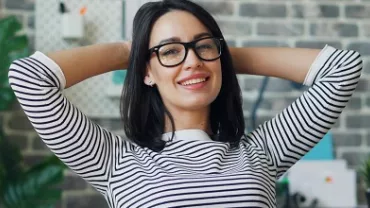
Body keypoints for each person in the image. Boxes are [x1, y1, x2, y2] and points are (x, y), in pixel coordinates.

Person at [8, 0, 363, 207]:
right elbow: (29, 79)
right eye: (170, 50)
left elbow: (342, 69)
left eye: (203, 45)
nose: (191, 61)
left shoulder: (261, 153)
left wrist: (218, 55)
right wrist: (129, 53)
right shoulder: (115, 163)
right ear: (147, 71)